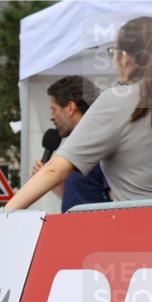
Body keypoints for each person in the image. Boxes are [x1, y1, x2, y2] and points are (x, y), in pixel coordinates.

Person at [0, 17, 152, 214]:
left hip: (139, 233)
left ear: (126, 57)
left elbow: (55, 169)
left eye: (113, 52)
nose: (113, 61)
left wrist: (1, 214)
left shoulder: (117, 101)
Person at [33, 76, 110, 212]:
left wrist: (7, 210)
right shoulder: (76, 146)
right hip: (75, 230)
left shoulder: (101, 142)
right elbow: (82, 196)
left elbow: (117, 201)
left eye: (54, 109)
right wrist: (54, 185)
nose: (51, 116)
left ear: (70, 108)